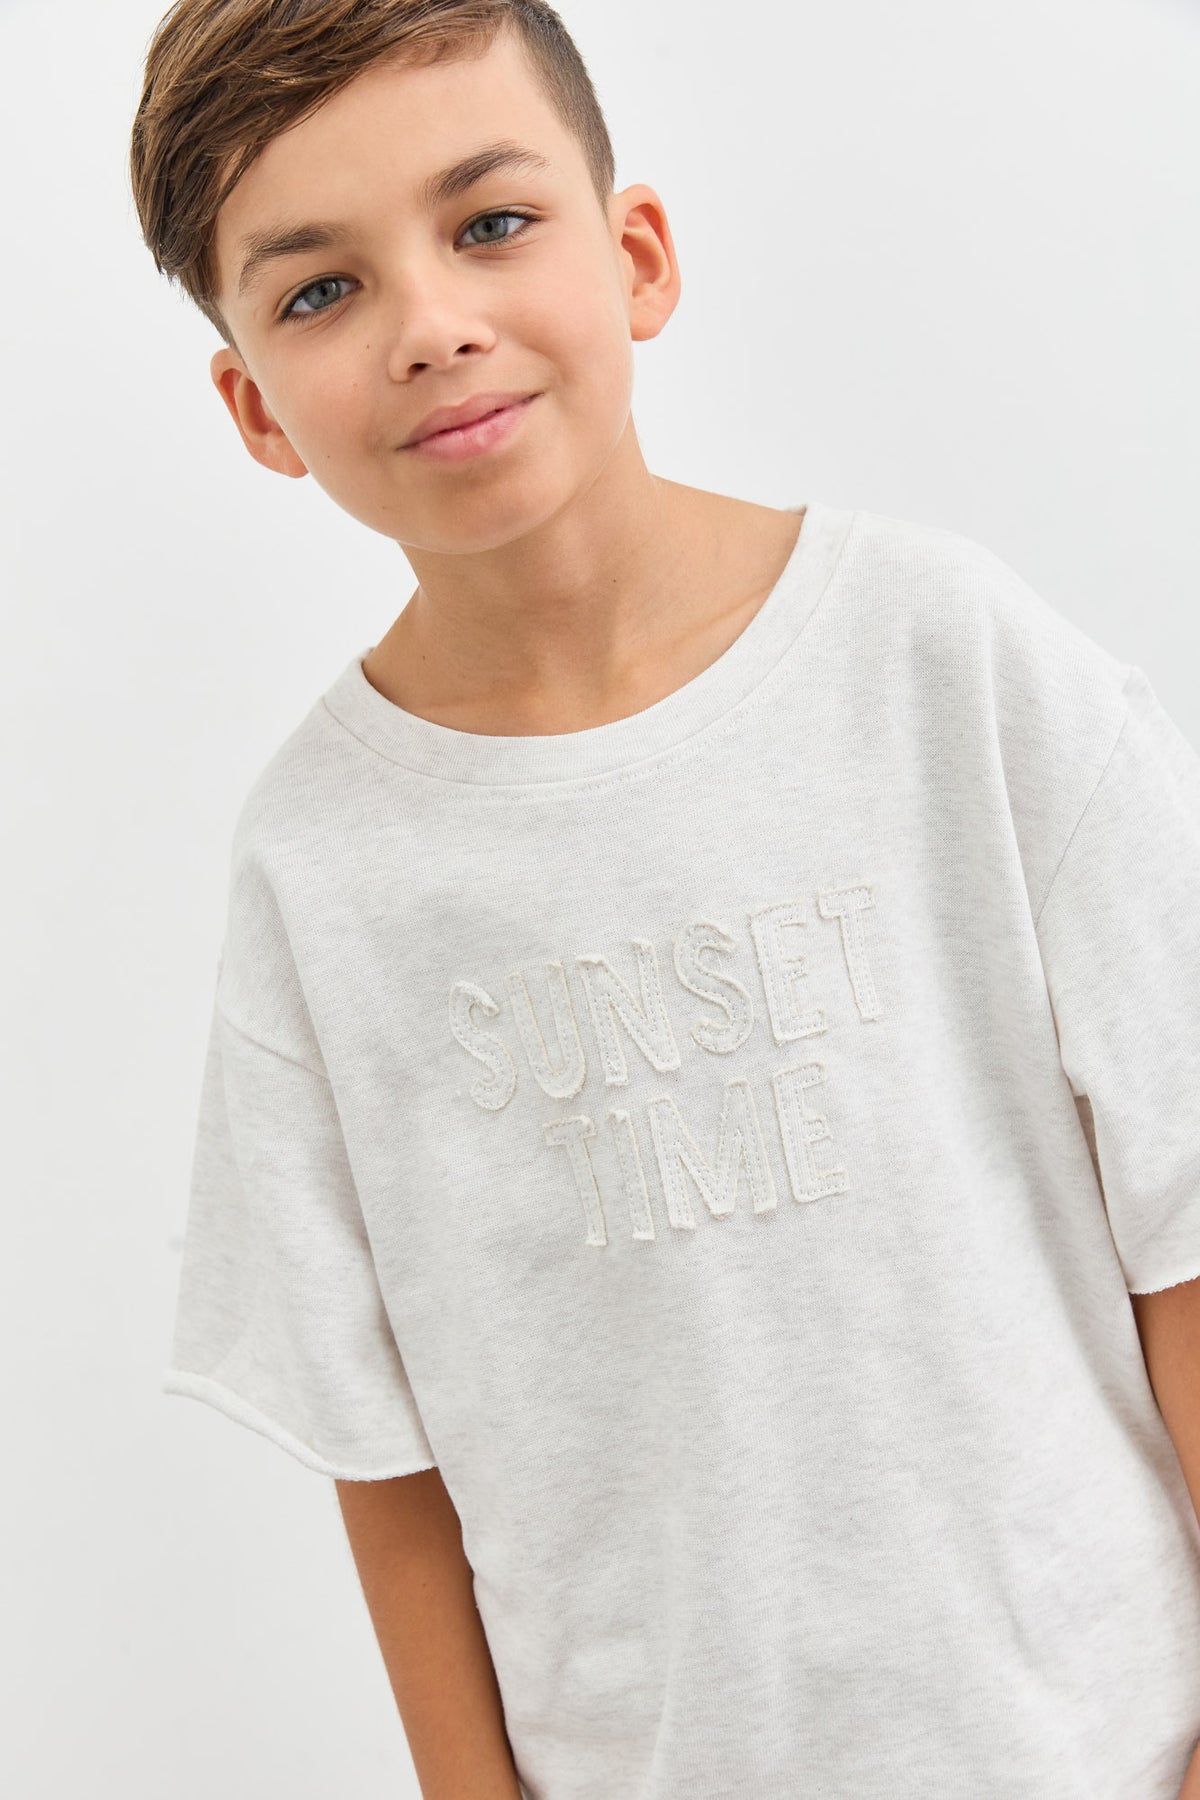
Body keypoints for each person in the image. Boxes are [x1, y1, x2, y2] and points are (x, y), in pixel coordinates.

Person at [130, 3, 1200, 1796]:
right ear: (255, 408)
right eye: (321, 291)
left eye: (489, 222)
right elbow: (385, 1457)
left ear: (634, 257)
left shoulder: (945, 662)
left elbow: (1184, 1226)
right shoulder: (321, 867)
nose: (432, 325)